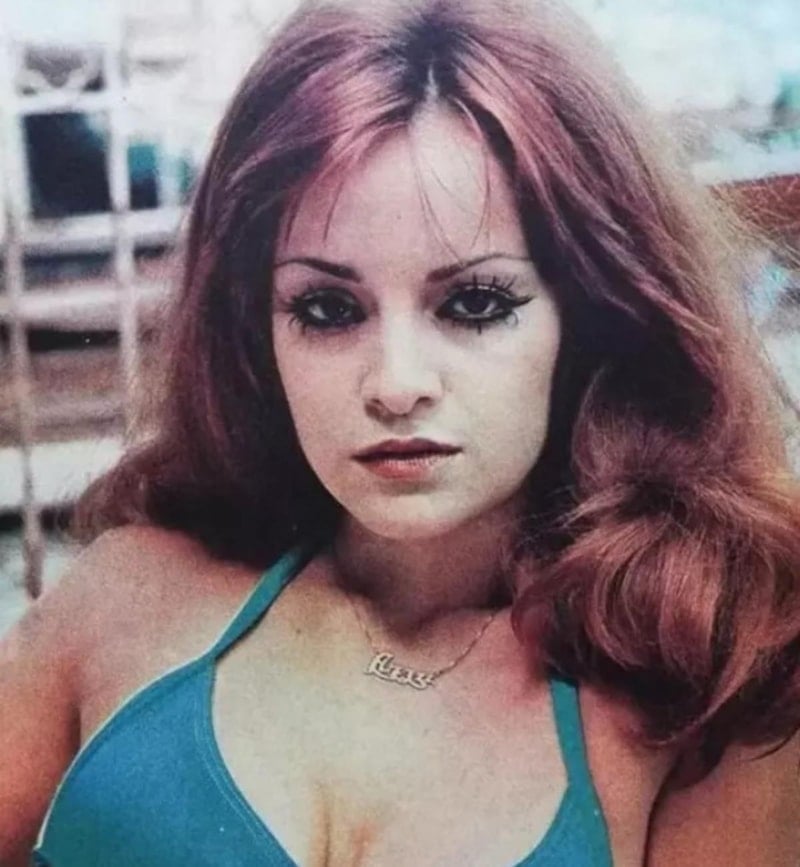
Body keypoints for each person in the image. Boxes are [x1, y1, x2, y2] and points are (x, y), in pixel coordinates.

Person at [2, 0, 800, 864]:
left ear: (593, 311)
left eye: (475, 303)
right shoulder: (124, 599)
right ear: (256, 328)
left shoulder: (711, 674)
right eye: (327, 308)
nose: (396, 383)